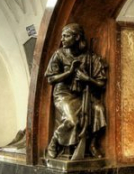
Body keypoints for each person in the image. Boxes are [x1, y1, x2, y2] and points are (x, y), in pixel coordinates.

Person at [45, 23, 107, 160]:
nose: (62, 39)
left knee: (99, 109)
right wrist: (69, 72)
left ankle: (92, 144)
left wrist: (87, 79)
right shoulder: (59, 54)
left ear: (77, 37)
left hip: (83, 93)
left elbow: (101, 83)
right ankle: (55, 141)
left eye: (66, 36)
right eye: (62, 36)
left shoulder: (91, 57)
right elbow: (50, 79)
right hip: (63, 93)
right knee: (72, 120)